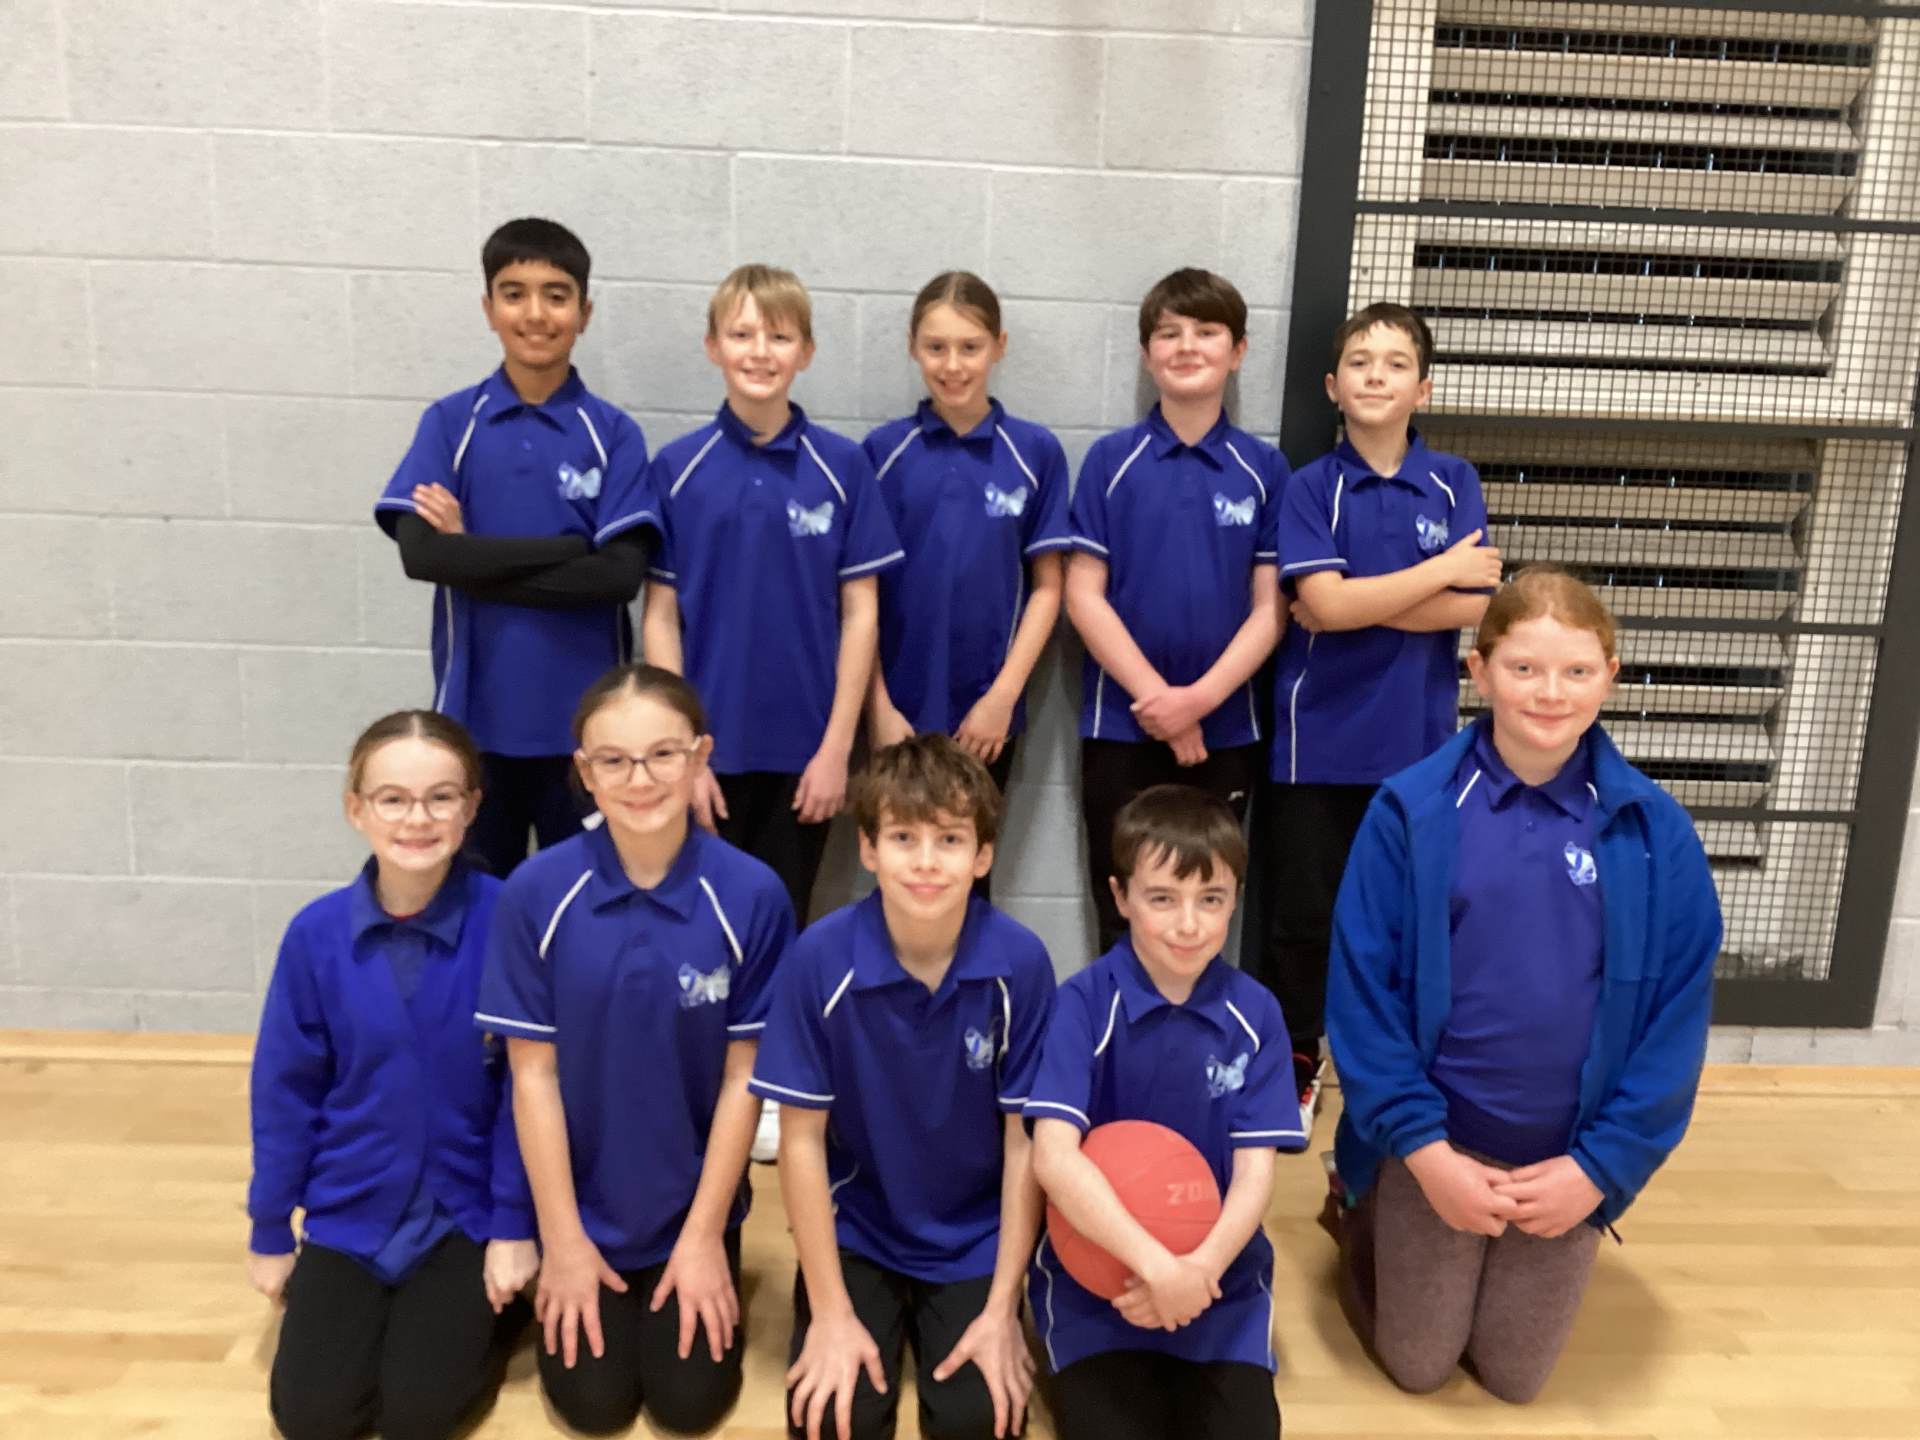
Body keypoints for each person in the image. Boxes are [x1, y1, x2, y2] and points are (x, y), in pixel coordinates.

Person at [1323, 567, 1723, 1402]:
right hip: (1437, 1144)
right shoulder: (1410, 811)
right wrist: (1425, 1155)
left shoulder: (1658, 833)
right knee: (1420, 1365)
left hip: (1565, 1156)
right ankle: (1359, 1203)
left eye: (1576, 671)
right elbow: (1362, 999)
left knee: (1514, 1378)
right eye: (1524, 668)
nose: (1550, 693)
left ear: (1611, 677)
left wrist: (1598, 1169)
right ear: (1479, 671)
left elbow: (1674, 1027)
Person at [475, 663, 797, 1434]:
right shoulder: (536, 892)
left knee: (689, 1406)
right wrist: (562, 1242)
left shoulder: (752, 895)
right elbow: (532, 1079)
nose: (640, 779)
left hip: (693, 1206)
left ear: (700, 756)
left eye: (662, 755)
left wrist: (704, 1238)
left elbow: (744, 1082)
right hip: (580, 1208)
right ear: (584, 772)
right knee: (594, 1407)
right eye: (613, 760)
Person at [750, 735, 1056, 1440]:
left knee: (979, 1424)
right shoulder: (819, 958)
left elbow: (1025, 1145)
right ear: (868, 848)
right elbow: (800, 1142)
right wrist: (830, 1313)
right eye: (903, 837)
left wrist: (1002, 1309)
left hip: (976, 1234)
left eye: (949, 839)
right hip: (859, 1226)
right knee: (836, 1423)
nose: (925, 861)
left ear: (982, 856)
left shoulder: (1020, 964)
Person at [247, 710, 538, 1440]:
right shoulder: (314, 935)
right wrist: (271, 1228)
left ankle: (496, 1311)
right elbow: (285, 1091)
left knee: (420, 1415)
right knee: (312, 1418)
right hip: (353, 1204)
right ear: (357, 809)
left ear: (472, 807)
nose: (418, 818)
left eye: (441, 797)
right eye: (393, 799)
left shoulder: (509, 919)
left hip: (464, 1208)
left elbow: (526, 1090)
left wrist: (513, 1225)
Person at [1257, 301, 1502, 1129]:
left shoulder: (1454, 482)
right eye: (1360, 362)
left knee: (1403, 922)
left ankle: (1389, 1080)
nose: (1375, 376)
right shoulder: (1309, 487)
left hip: (1417, 750)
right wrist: (1434, 574)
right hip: (1316, 744)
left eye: (1396, 364)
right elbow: (1322, 603)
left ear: (1422, 389)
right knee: (1303, 920)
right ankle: (1296, 1064)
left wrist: (1350, 604)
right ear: (1333, 386)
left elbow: (1476, 607)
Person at [374, 217, 657, 879]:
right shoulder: (451, 423)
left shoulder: (613, 433)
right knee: (478, 910)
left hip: (590, 735)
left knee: (583, 909)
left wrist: (471, 555)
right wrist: (570, 548)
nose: (535, 313)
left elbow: (617, 576)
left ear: (584, 313)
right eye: (514, 294)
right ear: (488, 308)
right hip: (474, 725)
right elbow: (424, 557)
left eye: (556, 296)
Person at [1026, 786, 1306, 1440]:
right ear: (1120, 896)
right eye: (1162, 899)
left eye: (1211, 899)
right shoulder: (1082, 1004)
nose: (1188, 924)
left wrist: (1198, 1272)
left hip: (1218, 1281)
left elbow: (1255, 1174)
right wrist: (1157, 1269)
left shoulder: (1257, 1013)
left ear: (1235, 899)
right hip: (1098, 1278)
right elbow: (1053, 1158)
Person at [641, 262, 904, 926]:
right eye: (742, 334)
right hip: (707, 753)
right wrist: (681, 754)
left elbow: (861, 614)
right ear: (713, 346)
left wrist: (837, 750)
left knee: (783, 928)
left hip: (805, 756)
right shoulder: (677, 468)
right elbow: (661, 620)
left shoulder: (842, 467)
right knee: (698, 930)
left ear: (806, 352)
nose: (760, 352)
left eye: (780, 337)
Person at [1063, 268, 1287, 954]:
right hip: (1120, 726)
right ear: (1145, 353)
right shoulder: (1110, 461)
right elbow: (1082, 594)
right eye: (1169, 333)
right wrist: (1159, 700)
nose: (1187, 346)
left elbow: (1270, 610)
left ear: (1238, 351)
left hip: (1227, 733)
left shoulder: (1265, 470)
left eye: (1207, 332)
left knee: (1203, 913)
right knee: (1124, 912)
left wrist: (1200, 702)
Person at [862, 271, 1073, 887]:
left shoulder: (1034, 452)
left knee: (967, 875)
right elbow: (858, 595)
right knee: (899, 872)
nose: (952, 365)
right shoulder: (880, 453)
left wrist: (1002, 697)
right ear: (913, 347)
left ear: (998, 347)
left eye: (970, 347)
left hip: (985, 716)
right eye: (936, 347)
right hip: (897, 711)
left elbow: (1048, 588)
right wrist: (878, 706)